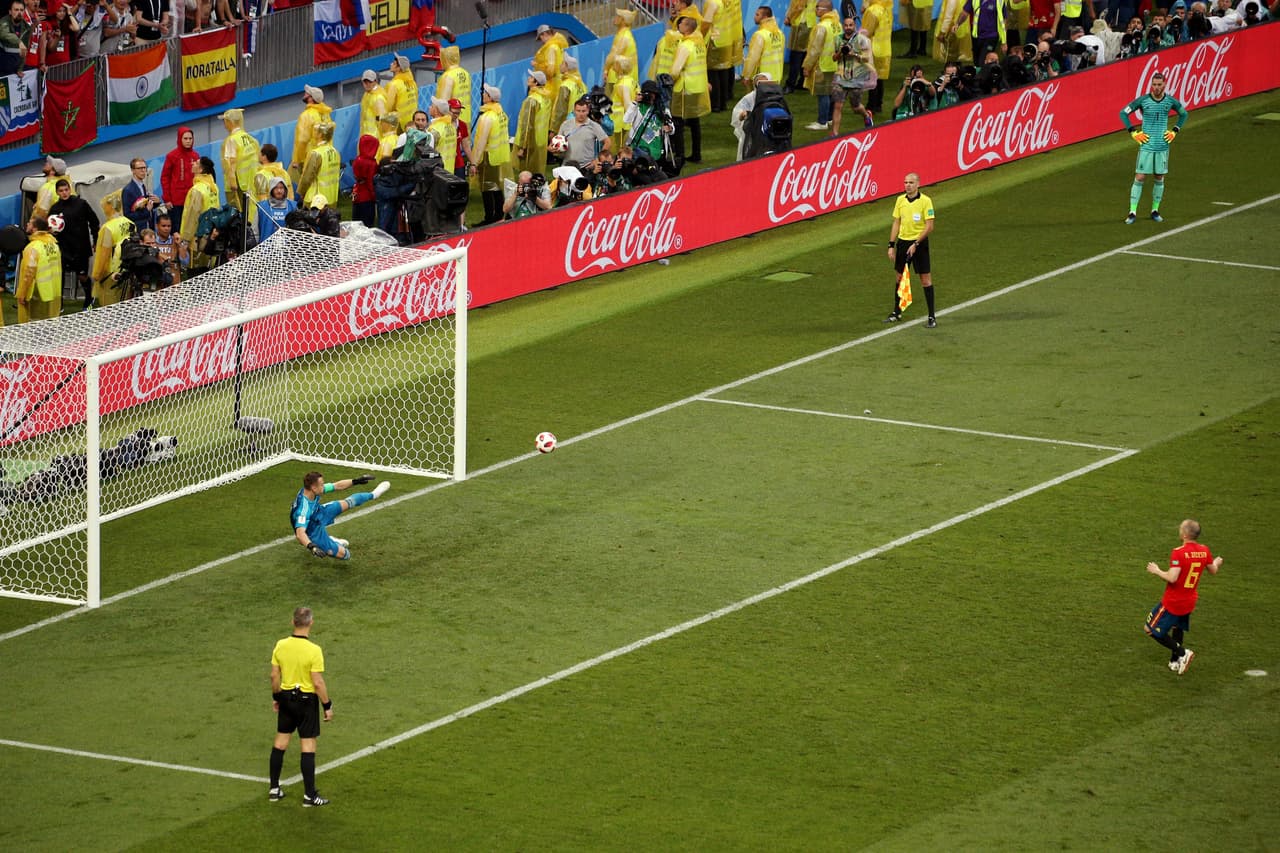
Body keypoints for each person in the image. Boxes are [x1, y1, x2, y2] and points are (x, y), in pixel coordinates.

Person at [267, 606, 333, 807]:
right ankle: (309, 796)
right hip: (306, 701)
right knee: (308, 746)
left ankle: (274, 789)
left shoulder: (280, 645)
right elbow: (318, 682)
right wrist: (327, 705)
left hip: (286, 697)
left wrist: (277, 696)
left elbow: (274, 675)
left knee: (280, 743)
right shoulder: (314, 650)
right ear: (311, 623)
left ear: (292, 622)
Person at [1144, 519, 1223, 675]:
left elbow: (1172, 578)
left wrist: (1157, 570)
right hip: (1189, 600)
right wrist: (1217, 562)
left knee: (1150, 629)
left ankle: (1182, 653)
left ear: (1185, 534)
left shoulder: (1179, 552)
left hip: (1173, 601)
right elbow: (1213, 570)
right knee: (1177, 627)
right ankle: (1175, 661)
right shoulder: (1204, 550)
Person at [1120, 72, 1187, 224]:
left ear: (1165, 84)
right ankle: (1132, 212)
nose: (1156, 88)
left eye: (1159, 85)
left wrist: (1175, 131)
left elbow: (1183, 114)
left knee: (1159, 177)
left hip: (1162, 145)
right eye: (1154, 85)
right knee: (1140, 177)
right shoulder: (1143, 101)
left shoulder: (1170, 101)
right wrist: (1133, 132)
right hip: (1147, 145)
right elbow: (1123, 113)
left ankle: (1155, 210)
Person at [292, 471, 389, 560]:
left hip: (318, 512)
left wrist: (356, 481)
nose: (323, 486)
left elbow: (336, 486)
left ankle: (374, 494)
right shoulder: (303, 510)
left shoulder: (311, 491)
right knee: (345, 555)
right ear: (313, 487)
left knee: (349, 502)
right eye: (321, 485)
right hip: (312, 531)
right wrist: (312, 546)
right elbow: (300, 534)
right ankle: (331, 541)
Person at [885, 172, 937, 327]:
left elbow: (929, 226)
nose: (908, 185)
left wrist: (915, 243)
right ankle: (897, 312)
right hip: (903, 243)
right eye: (905, 182)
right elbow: (896, 222)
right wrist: (891, 245)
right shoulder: (900, 200)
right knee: (899, 278)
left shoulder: (926, 201)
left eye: (911, 182)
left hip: (919, 245)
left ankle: (932, 317)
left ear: (918, 184)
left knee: (925, 279)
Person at [48, 177, 98, 306]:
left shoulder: (81, 204)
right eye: (61, 191)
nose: (64, 193)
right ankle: (59, 305)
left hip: (80, 248)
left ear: (70, 190)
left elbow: (94, 221)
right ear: (57, 192)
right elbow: (50, 228)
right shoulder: (54, 209)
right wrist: (51, 233)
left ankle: (89, 298)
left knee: (82, 276)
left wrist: (96, 239)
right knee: (61, 277)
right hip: (63, 249)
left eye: (66, 190)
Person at [670, 8, 710, 164]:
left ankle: (680, 156)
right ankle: (696, 154)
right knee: (694, 122)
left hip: (684, 88)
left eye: (681, 23)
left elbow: (675, 70)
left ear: (687, 27)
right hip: (698, 87)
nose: (678, 25)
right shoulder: (699, 43)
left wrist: (670, 79)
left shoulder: (685, 45)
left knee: (678, 122)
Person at [470, 83, 513, 226]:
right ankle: (499, 214)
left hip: (488, 157)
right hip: (500, 156)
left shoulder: (487, 117)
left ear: (489, 97)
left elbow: (481, 141)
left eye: (485, 93)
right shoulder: (501, 114)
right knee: (497, 187)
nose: (482, 95)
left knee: (487, 188)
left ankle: (490, 217)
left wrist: (474, 161)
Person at [830, 19, 876, 135]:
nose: (848, 27)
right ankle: (835, 133)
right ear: (843, 26)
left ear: (854, 26)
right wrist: (840, 52)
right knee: (838, 104)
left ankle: (866, 114)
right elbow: (834, 58)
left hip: (857, 77)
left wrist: (853, 54)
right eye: (846, 25)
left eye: (850, 25)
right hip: (841, 76)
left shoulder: (862, 40)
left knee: (855, 107)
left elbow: (867, 58)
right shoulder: (837, 39)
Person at [90, 190, 132, 308]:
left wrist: (97, 275)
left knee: (109, 307)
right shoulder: (130, 223)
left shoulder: (107, 228)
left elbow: (103, 255)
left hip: (111, 273)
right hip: (127, 269)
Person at [802, 0, 839, 131]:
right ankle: (829, 118)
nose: (815, 9)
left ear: (824, 10)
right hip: (835, 64)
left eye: (817, 7)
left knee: (823, 94)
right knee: (831, 93)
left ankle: (822, 121)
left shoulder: (822, 27)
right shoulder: (837, 24)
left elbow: (815, 49)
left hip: (823, 64)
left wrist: (807, 66)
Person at [16, 217, 61, 323]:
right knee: (48, 325)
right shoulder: (53, 245)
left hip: (37, 293)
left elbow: (28, 273)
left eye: (30, 223)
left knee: (35, 325)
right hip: (52, 291)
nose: (27, 224)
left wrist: (22, 294)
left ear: (35, 229)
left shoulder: (33, 247)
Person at [179, 155, 220, 272]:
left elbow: (192, 217)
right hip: (211, 237)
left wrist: (185, 240)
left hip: (197, 241)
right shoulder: (213, 187)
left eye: (196, 163)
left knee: (195, 275)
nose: (193, 164)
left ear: (200, 170)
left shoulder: (197, 190)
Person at [702, 0, 744, 113]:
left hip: (715, 40)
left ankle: (715, 104)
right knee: (723, 71)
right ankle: (723, 101)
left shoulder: (712, 3)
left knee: (713, 72)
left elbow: (706, 22)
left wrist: (700, 35)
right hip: (727, 39)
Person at [291, 85, 334, 187]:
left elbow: (302, 140)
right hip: (326, 154)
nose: (304, 95)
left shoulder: (306, 115)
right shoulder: (326, 114)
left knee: (310, 186)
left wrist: (296, 160)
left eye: (307, 94)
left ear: (311, 98)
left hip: (310, 157)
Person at [514, 69, 552, 177]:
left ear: (536, 83)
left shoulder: (531, 100)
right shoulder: (546, 98)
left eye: (531, 77)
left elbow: (527, 126)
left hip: (530, 143)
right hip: (541, 141)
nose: (528, 78)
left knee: (527, 174)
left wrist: (522, 147)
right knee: (538, 172)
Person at [161, 126, 199, 233]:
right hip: (175, 202)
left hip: (191, 200)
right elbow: (165, 177)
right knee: (176, 229)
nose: (188, 141)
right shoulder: (172, 156)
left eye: (190, 139)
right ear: (179, 139)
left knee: (190, 228)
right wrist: (167, 199)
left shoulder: (195, 156)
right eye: (185, 138)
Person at [557, 96, 611, 170]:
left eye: (583, 111)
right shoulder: (565, 124)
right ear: (574, 111)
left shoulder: (594, 125)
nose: (581, 114)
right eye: (578, 111)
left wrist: (598, 159)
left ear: (588, 111)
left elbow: (607, 142)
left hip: (587, 167)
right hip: (567, 165)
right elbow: (557, 143)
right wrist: (552, 149)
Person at [296, 120, 340, 208]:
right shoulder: (335, 152)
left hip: (316, 200)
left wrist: (301, 191)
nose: (313, 132)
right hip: (331, 198)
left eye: (315, 130)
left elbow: (307, 176)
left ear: (320, 135)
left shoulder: (316, 154)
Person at [862, 0, 893, 114]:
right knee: (879, 79)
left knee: (872, 79)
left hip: (873, 49)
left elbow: (867, 32)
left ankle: (871, 105)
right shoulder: (884, 9)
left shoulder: (872, 11)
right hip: (884, 48)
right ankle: (878, 104)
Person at [741, 5, 785, 87]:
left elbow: (752, 58)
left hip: (762, 77)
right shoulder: (780, 33)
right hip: (777, 76)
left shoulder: (759, 35)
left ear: (764, 17)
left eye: (757, 15)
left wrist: (747, 76)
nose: (754, 17)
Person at [731, 71, 771, 160]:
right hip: (751, 133)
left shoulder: (774, 97)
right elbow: (738, 111)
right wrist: (742, 115)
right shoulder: (750, 97)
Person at [604, 8, 638, 101]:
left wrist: (606, 69)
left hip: (617, 78)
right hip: (625, 78)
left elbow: (613, 55)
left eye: (617, 16)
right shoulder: (625, 35)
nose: (614, 18)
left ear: (623, 20)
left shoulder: (623, 37)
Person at [783, 0, 817, 93]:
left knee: (796, 55)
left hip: (802, 23)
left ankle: (791, 85)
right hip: (807, 23)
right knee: (804, 54)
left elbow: (797, 6)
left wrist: (789, 17)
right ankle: (802, 82)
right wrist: (788, 17)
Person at [121, 158, 161, 234]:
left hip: (148, 226)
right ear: (133, 170)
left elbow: (145, 206)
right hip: (138, 230)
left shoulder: (142, 186)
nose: (143, 171)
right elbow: (128, 215)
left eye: (144, 168)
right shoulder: (128, 190)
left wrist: (157, 202)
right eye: (139, 168)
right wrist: (146, 210)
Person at [551, 53, 588, 135]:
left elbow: (560, 110)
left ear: (567, 67)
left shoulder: (566, 85)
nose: (560, 65)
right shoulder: (582, 84)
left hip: (567, 127)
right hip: (582, 125)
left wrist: (554, 130)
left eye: (562, 63)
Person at [30, 155, 72, 225]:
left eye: (49, 164)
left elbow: (41, 212)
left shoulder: (47, 188)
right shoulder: (68, 184)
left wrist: (32, 224)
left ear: (52, 172)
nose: (46, 163)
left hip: (52, 226)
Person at [532, 23, 567, 105]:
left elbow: (550, 71)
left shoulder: (551, 48)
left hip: (553, 86)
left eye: (540, 37)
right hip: (560, 82)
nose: (541, 41)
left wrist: (537, 65)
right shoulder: (558, 46)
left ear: (544, 34)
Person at [436, 45, 471, 123]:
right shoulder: (465, 73)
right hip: (466, 117)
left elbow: (443, 104)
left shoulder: (447, 76)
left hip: (452, 120)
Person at [151, 212, 188, 286]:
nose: (166, 228)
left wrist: (180, 244)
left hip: (173, 281)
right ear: (157, 226)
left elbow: (185, 262)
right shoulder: (151, 241)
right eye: (163, 226)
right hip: (156, 281)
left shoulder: (176, 241)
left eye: (169, 226)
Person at [256, 176, 297, 241]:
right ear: (271, 189)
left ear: (285, 189)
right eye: (276, 188)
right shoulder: (262, 207)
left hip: (287, 248)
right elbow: (255, 231)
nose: (279, 191)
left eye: (281, 188)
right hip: (266, 248)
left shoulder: (293, 206)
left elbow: (297, 231)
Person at [385, 53, 418, 131]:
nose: (391, 64)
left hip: (399, 125)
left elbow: (388, 107)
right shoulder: (412, 82)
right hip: (412, 123)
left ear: (399, 68)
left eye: (394, 63)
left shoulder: (394, 85)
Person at [351, 134, 378, 228]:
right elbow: (370, 182)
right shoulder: (371, 163)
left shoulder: (357, 160)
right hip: (367, 197)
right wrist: (374, 196)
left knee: (356, 221)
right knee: (367, 224)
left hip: (357, 193)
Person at [0, 0, 33, 77]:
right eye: (16, 10)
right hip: (2, 68)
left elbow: (24, 50)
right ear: (10, 12)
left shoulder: (27, 28)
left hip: (14, 70)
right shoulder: (3, 22)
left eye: (21, 10)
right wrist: (19, 42)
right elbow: (4, 34)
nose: (19, 13)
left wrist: (20, 69)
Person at [357, 69, 388, 139]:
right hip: (366, 135)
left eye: (370, 82)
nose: (367, 84)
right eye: (365, 82)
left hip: (375, 138)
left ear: (375, 81)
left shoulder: (378, 97)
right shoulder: (367, 94)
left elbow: (382, 120)